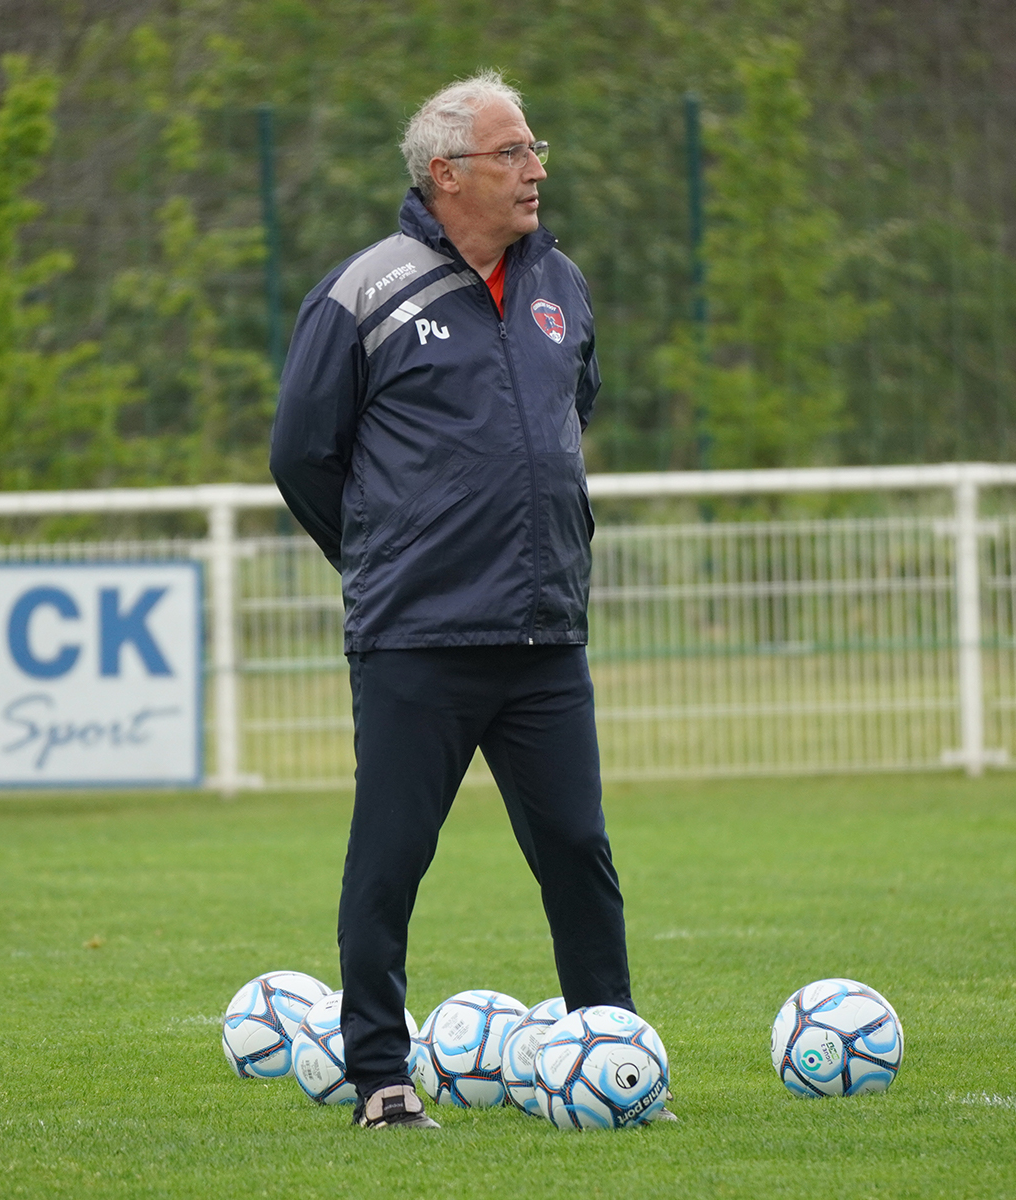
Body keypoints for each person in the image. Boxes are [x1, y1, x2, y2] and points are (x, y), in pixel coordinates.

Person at [269, 71, 646, 1131]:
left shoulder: (560, 281)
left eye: (534, 150)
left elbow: (575, 407)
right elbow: (302, 454)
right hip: (416, 640)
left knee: (579, 851)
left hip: (542, 635)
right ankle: (381, 1079)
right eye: (512, 153)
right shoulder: (364, 291)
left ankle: (611, 1057)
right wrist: (387, 558)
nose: (536, 169)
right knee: (390, 859)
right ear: (446, 174)